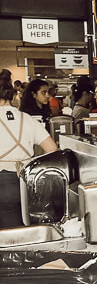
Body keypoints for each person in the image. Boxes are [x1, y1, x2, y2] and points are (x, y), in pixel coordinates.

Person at [0, 80, 57, 228]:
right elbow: (52, 149)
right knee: (25, 228)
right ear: (13, 97)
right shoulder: (28, 119)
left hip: (2, 183)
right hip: (28, 182)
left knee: (7, 233)